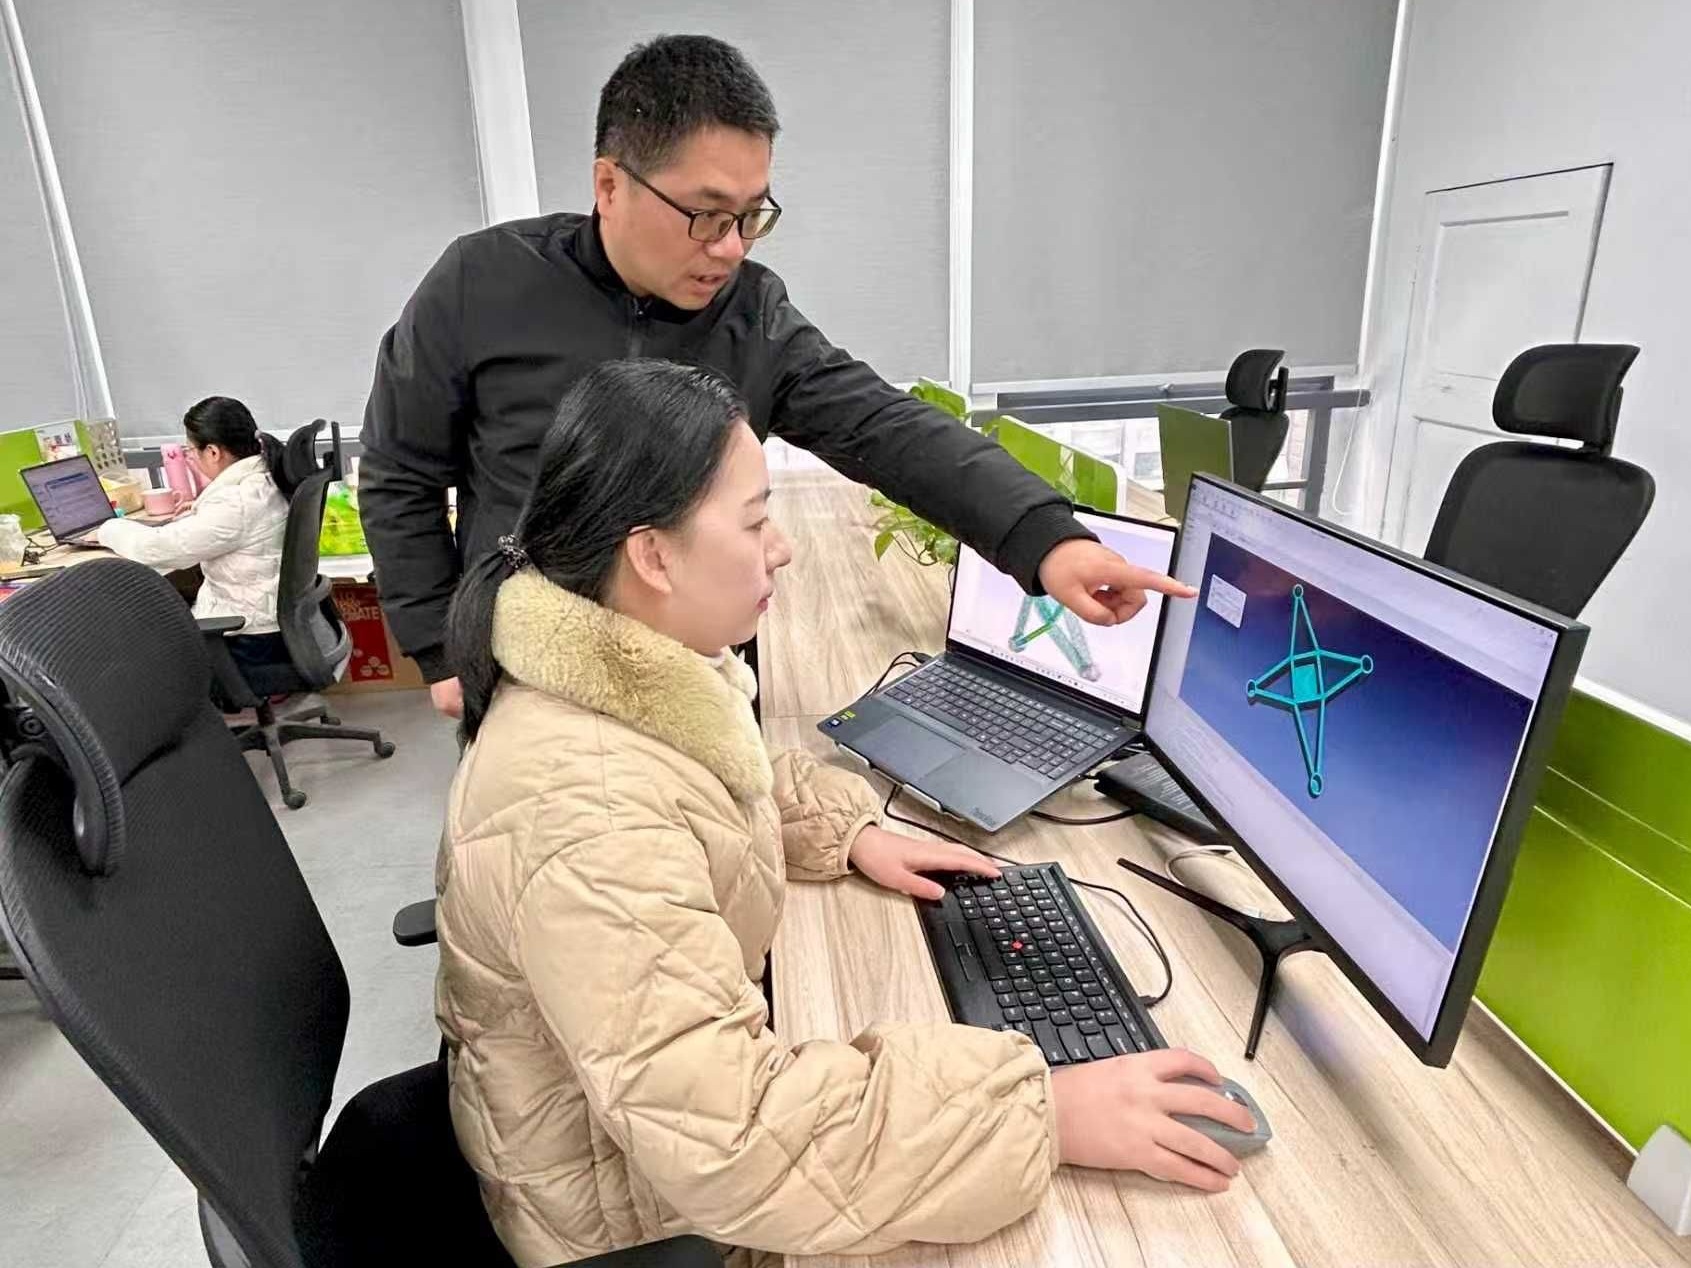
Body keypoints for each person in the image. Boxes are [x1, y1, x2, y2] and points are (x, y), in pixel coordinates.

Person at [435, 360, 1253, 1267]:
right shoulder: (587, 813)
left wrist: (846, 832)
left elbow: (700, 770)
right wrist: (1040, 1112)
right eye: (755, 521)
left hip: (627, 1135)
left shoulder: (610, 664)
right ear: (653, 555)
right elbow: (740, 1146)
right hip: (633, 1213)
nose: (780, 547)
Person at [362, 34, 1194, 722]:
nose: (730, 247)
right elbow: (400, 470)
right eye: (705, 214)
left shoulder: (750, 313)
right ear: (609, 183)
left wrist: (1043, 538)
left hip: (700, 677)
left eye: (751, 214)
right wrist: (440, 649)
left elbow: (884, 427)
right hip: (533, 677)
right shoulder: (481, 281)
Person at [98, 396, 295, 683]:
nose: (190, 457)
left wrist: (106, 529)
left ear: (213, 452)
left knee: (131, 642)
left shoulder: (235, 502)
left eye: (191, 450)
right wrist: (202, 511)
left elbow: (155, 549)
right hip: (272, 627)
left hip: (249, 641)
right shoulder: (263, 478)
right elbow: (238, 522)